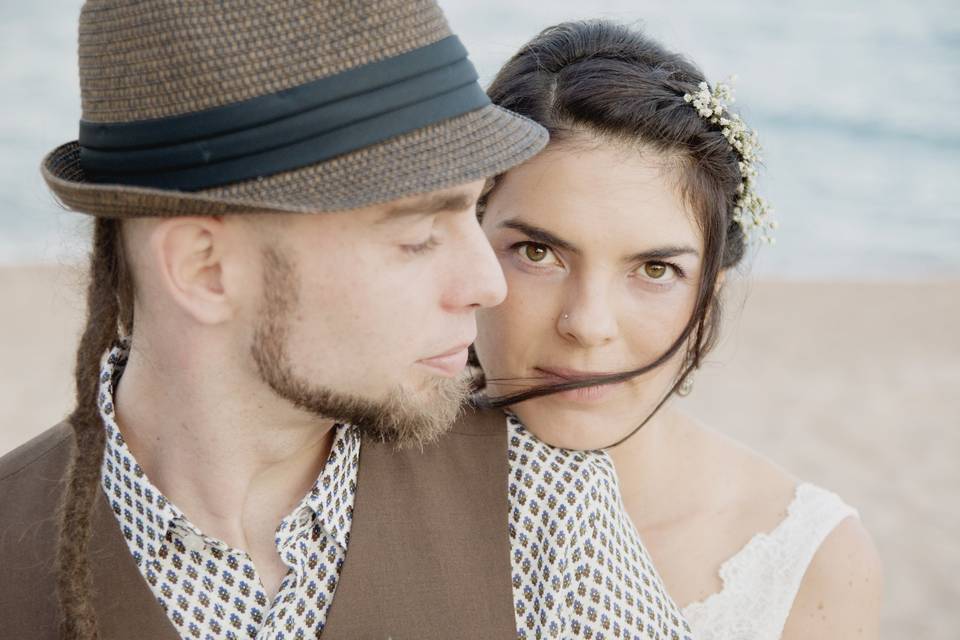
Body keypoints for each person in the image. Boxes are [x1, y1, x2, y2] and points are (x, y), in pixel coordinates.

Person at [0, 0, 552, 637]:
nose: (488, 284)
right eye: (421, 234)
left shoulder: (541, 507)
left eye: (476, 210)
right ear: (205, 268)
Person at [466, 20, 883, 640]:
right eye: (536, 253)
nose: (588, 325)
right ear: (465, 239)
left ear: (707, 296)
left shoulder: (812, 564)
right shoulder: (346, 463)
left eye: (654, 269)